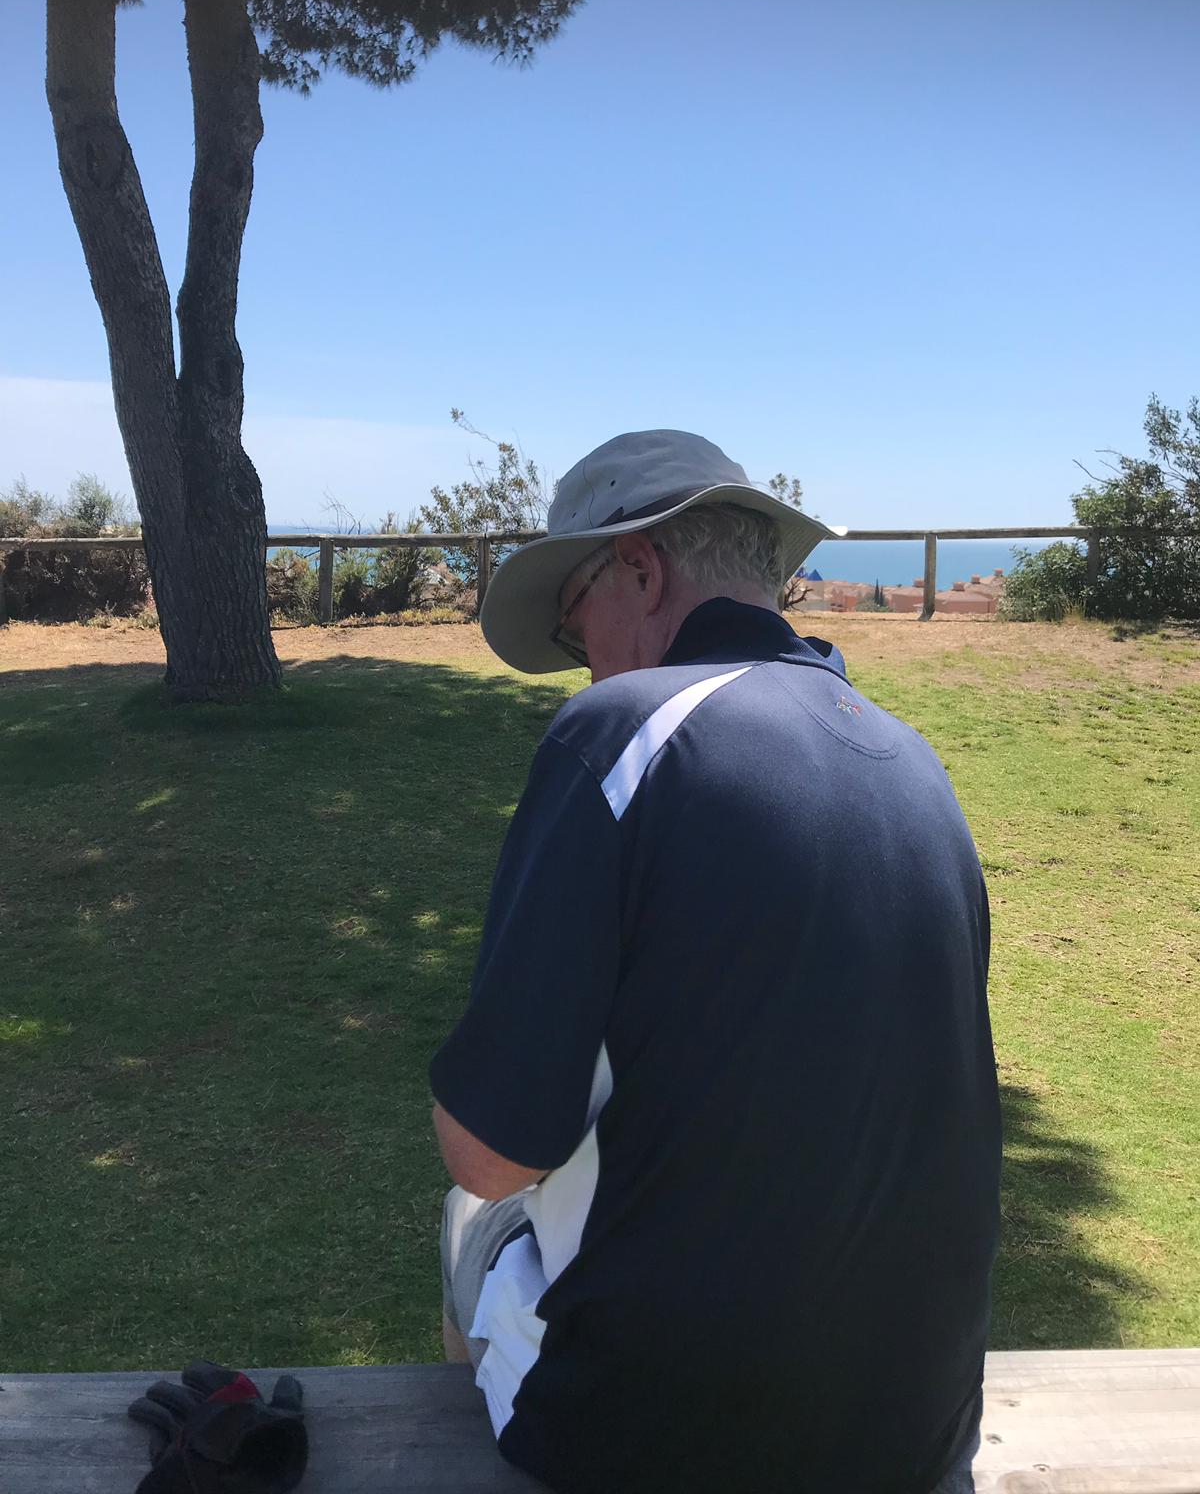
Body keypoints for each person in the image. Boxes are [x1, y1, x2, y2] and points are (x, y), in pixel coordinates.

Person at [429, 429, 1001, 1494]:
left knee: (471, 1213)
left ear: (640, 568)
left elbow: (490, 1153)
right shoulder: (916, 763)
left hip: (665, 1438)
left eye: (575, 623)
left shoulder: (620, 733)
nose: (585, 663)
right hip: (919, 1431)